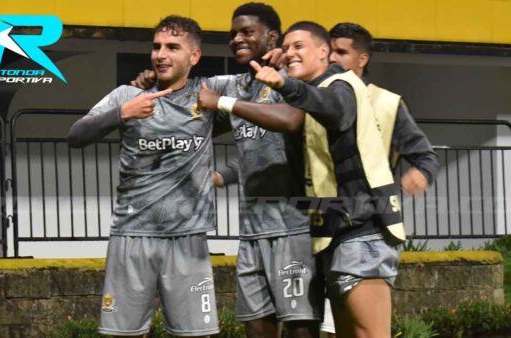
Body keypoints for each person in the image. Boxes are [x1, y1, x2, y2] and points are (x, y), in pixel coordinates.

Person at [198, 21, 404, 338]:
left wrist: (281, 85)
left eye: (299, 46)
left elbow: (336, 111)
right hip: (335, 232)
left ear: (323, 52)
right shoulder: (309, 97)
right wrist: (222, 175)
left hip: (364, 229)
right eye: (287, 46)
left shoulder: (341, 84)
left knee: (370, 334)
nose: (290, 52)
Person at [131, 4, 323, 338]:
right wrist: (150, 81)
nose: (236, 39)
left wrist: (221, 103)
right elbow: (186, 94)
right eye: (233, 33)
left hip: (294, 227)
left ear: (272, 37)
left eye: (247, 31)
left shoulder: (291, 77)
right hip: (251, 230)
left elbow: (292, 120)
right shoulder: (231, 85)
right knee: (255, 324)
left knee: (299, 327)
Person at [67, 16, 224, 337]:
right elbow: (76, 136)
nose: (161, 54)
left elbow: (261, 86)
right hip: (131, 235)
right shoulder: (127, 96)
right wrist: (122, 113)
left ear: (194, 57)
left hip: (187, 237)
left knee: (197, 335)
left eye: (172, 47)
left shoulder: (208, 93)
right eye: (156, 47)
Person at [319, 22, 439, 337]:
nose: (333, 58)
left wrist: (420, 173)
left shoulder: (385, 102)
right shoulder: (316, 97)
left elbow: (424, 154)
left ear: (362, 60)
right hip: (322, 229)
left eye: (341, 52)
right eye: (329, 50)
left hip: (366, 227)